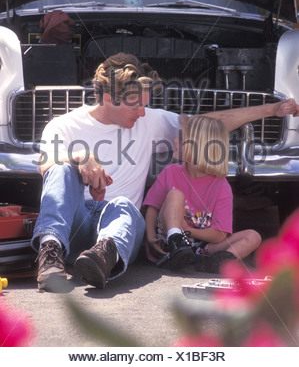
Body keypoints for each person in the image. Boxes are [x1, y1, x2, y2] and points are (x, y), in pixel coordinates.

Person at [31, 52, 299, 292]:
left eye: (145, 105)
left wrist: (272, 110)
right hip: (74, 223)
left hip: (118, 227)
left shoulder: (148, 121)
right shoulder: (64, 126)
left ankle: (101, 259)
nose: (143, 113)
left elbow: (206, 125)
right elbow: (45, 165)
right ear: (108, 98)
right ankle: (50, 255)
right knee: (60, 168)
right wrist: (81, 157)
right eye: (136, 105)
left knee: (124, 205)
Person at [143, 114, 262, 273]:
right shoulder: (170, 172)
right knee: (175, 195)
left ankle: (217, 262)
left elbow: (220, 235)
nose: (175, 141)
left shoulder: (221, 186)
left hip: (202, 247)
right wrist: (150, 238)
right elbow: (152, 208)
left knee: (253, 237)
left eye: (181, 138)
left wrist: (188, 229)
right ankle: (176, 243)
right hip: (168, 242)